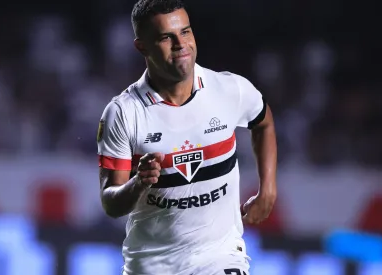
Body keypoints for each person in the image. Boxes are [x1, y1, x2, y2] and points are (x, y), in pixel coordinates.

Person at [97, 0, 277, 274]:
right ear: (141, 46)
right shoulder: (123, 113)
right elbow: (110, 202)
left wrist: (268, 190)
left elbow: (263, 123)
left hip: (219, 257)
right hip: (152, 265)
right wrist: (138, 183)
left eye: (185, 32)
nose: (180, 44)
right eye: (166, 37)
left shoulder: (229, 89)